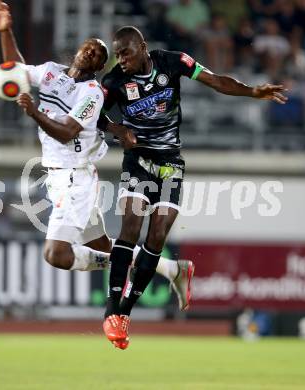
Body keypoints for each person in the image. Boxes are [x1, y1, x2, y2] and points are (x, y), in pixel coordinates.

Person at [0, 0, 195, 322]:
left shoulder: (92, 92)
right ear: (76, 52)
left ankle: (145, 277)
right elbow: (14, 70)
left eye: (99, 54)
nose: (91, 52)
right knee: (102, 245)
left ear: (100, 66)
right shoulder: (49, 73)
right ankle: (172, 268)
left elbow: (67, 133)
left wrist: (33, 113)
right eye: (89, 47)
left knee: (56, 254)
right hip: (59, 176)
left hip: (75, 178)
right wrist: (6, 31)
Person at [100, 26, 288, 349]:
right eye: (117, 54)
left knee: (157, 234)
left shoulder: (173, 62)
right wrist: (117, 128)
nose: (122, 60)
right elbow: (92, 113)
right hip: (138, 161)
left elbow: (215, 81)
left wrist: (252, 92)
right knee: (130, 227)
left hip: (171, 162)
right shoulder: (114, 82)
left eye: (126, 53)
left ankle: (126, 314)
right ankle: (112, 310)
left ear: (143, 47)